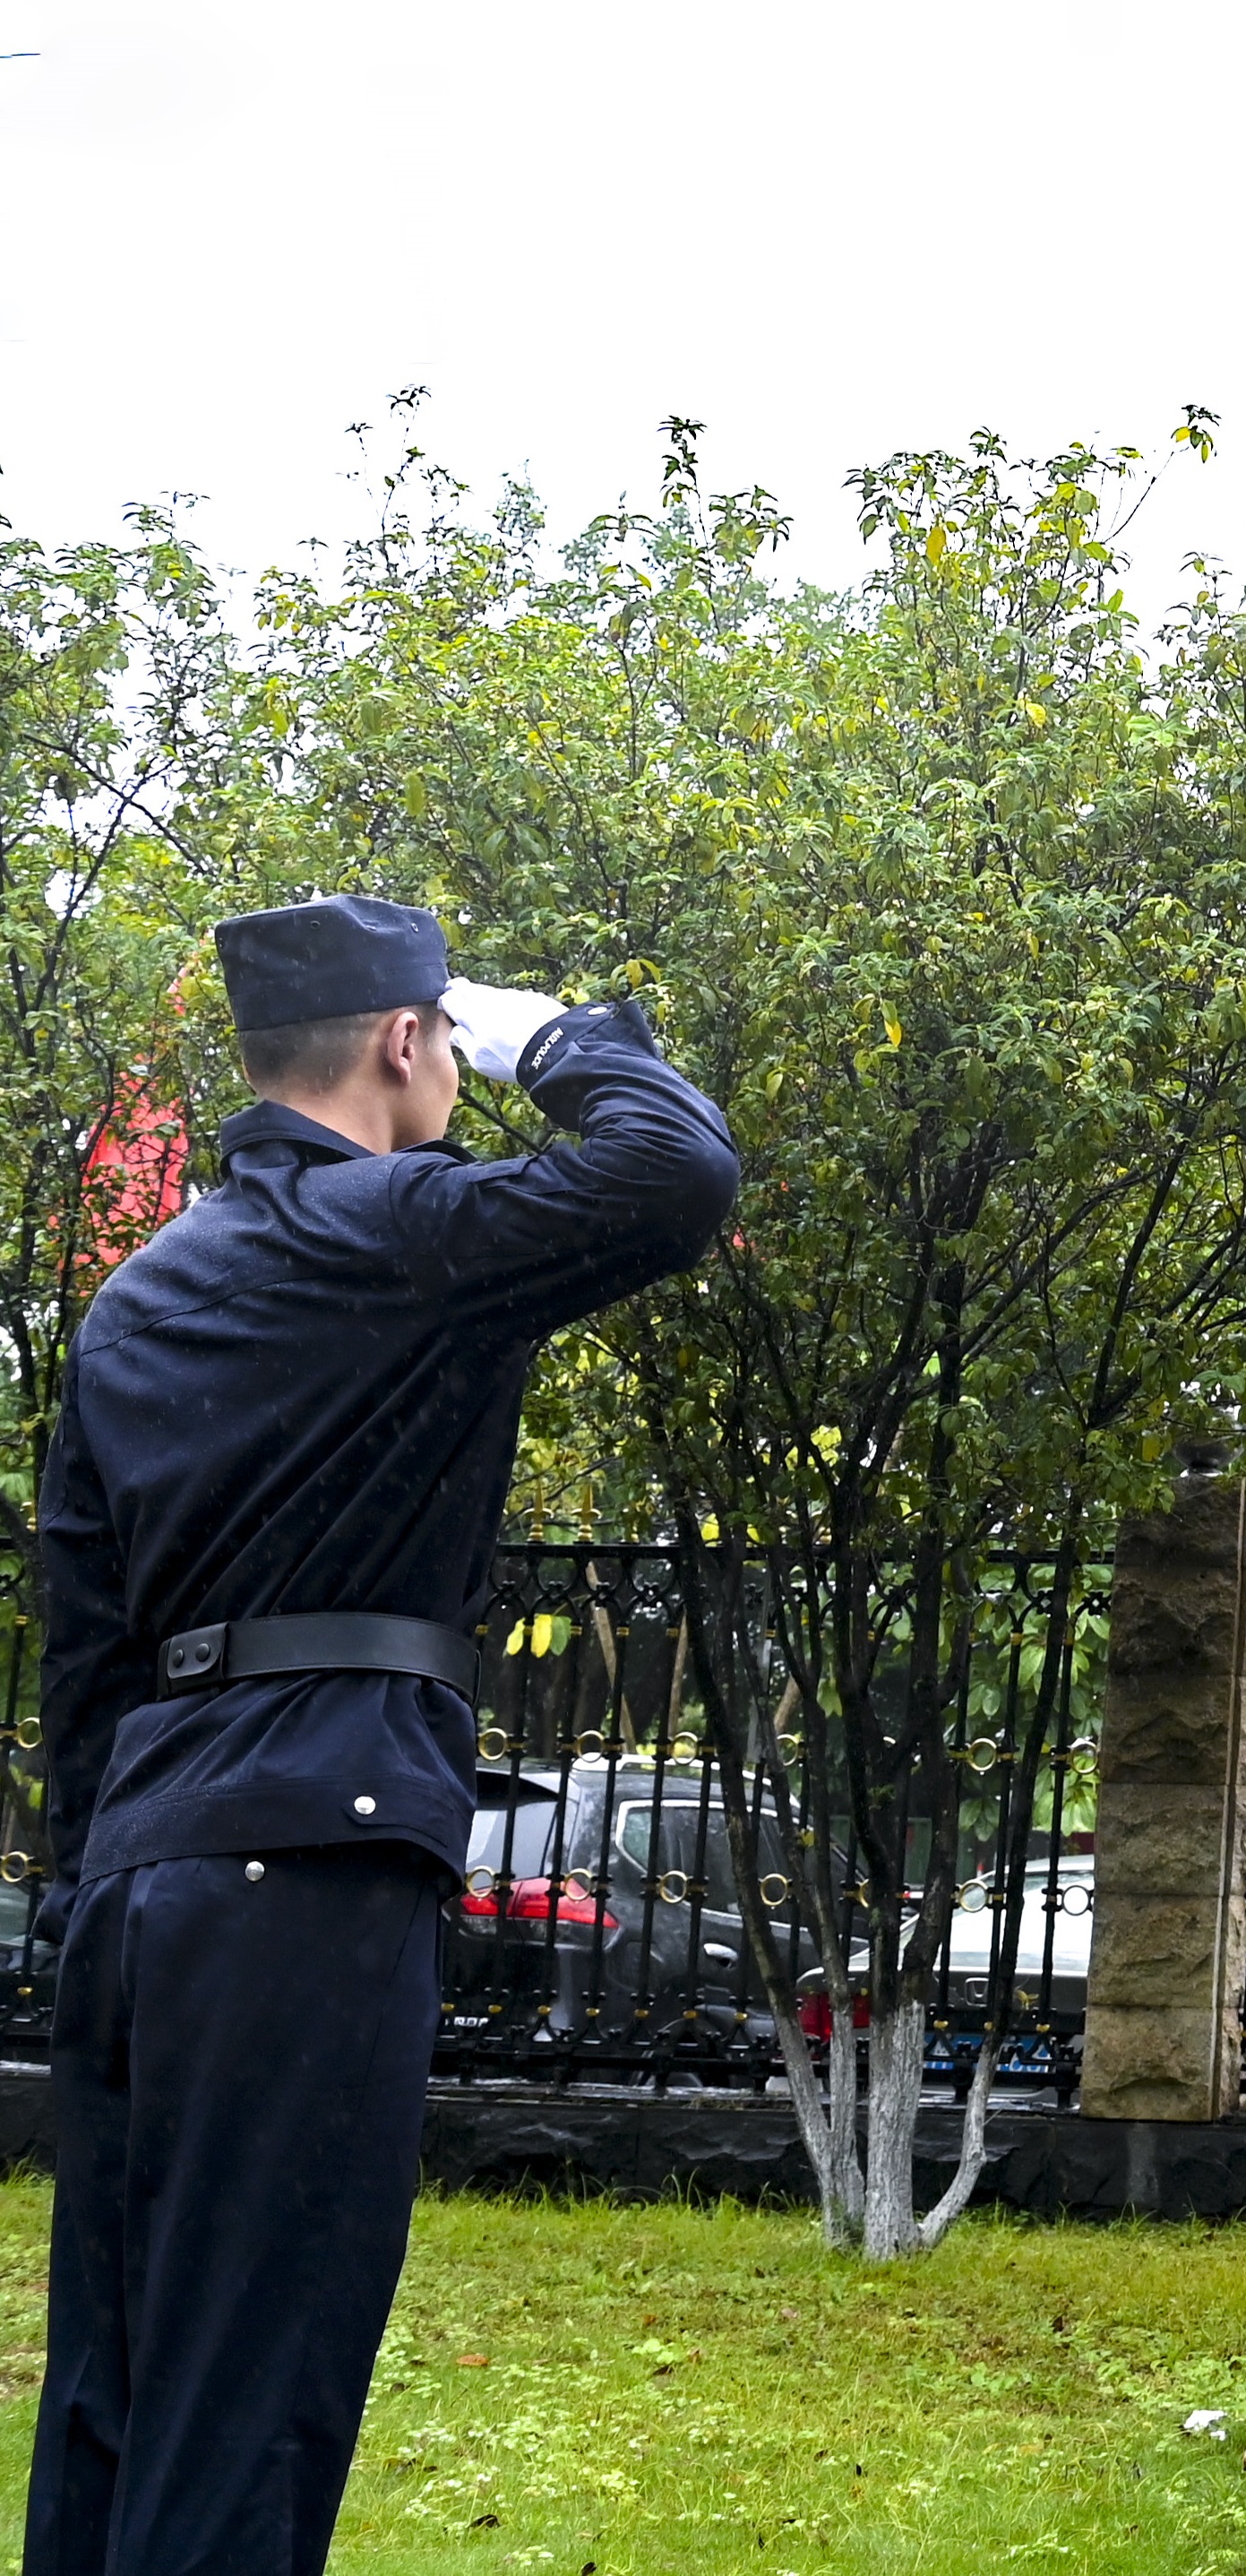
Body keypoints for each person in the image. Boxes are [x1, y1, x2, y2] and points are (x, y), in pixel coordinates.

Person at [27, 895, 740, 2573]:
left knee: (116, 2391)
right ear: (407, 1043)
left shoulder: (137, 1296)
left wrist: (79, 1889)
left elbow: (84, 1650)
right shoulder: (400, 1233)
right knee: (253, 2392)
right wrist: (554, 1040)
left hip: (142, 1881)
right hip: (313, 1861)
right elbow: (677, 1173)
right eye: (444, 1044)